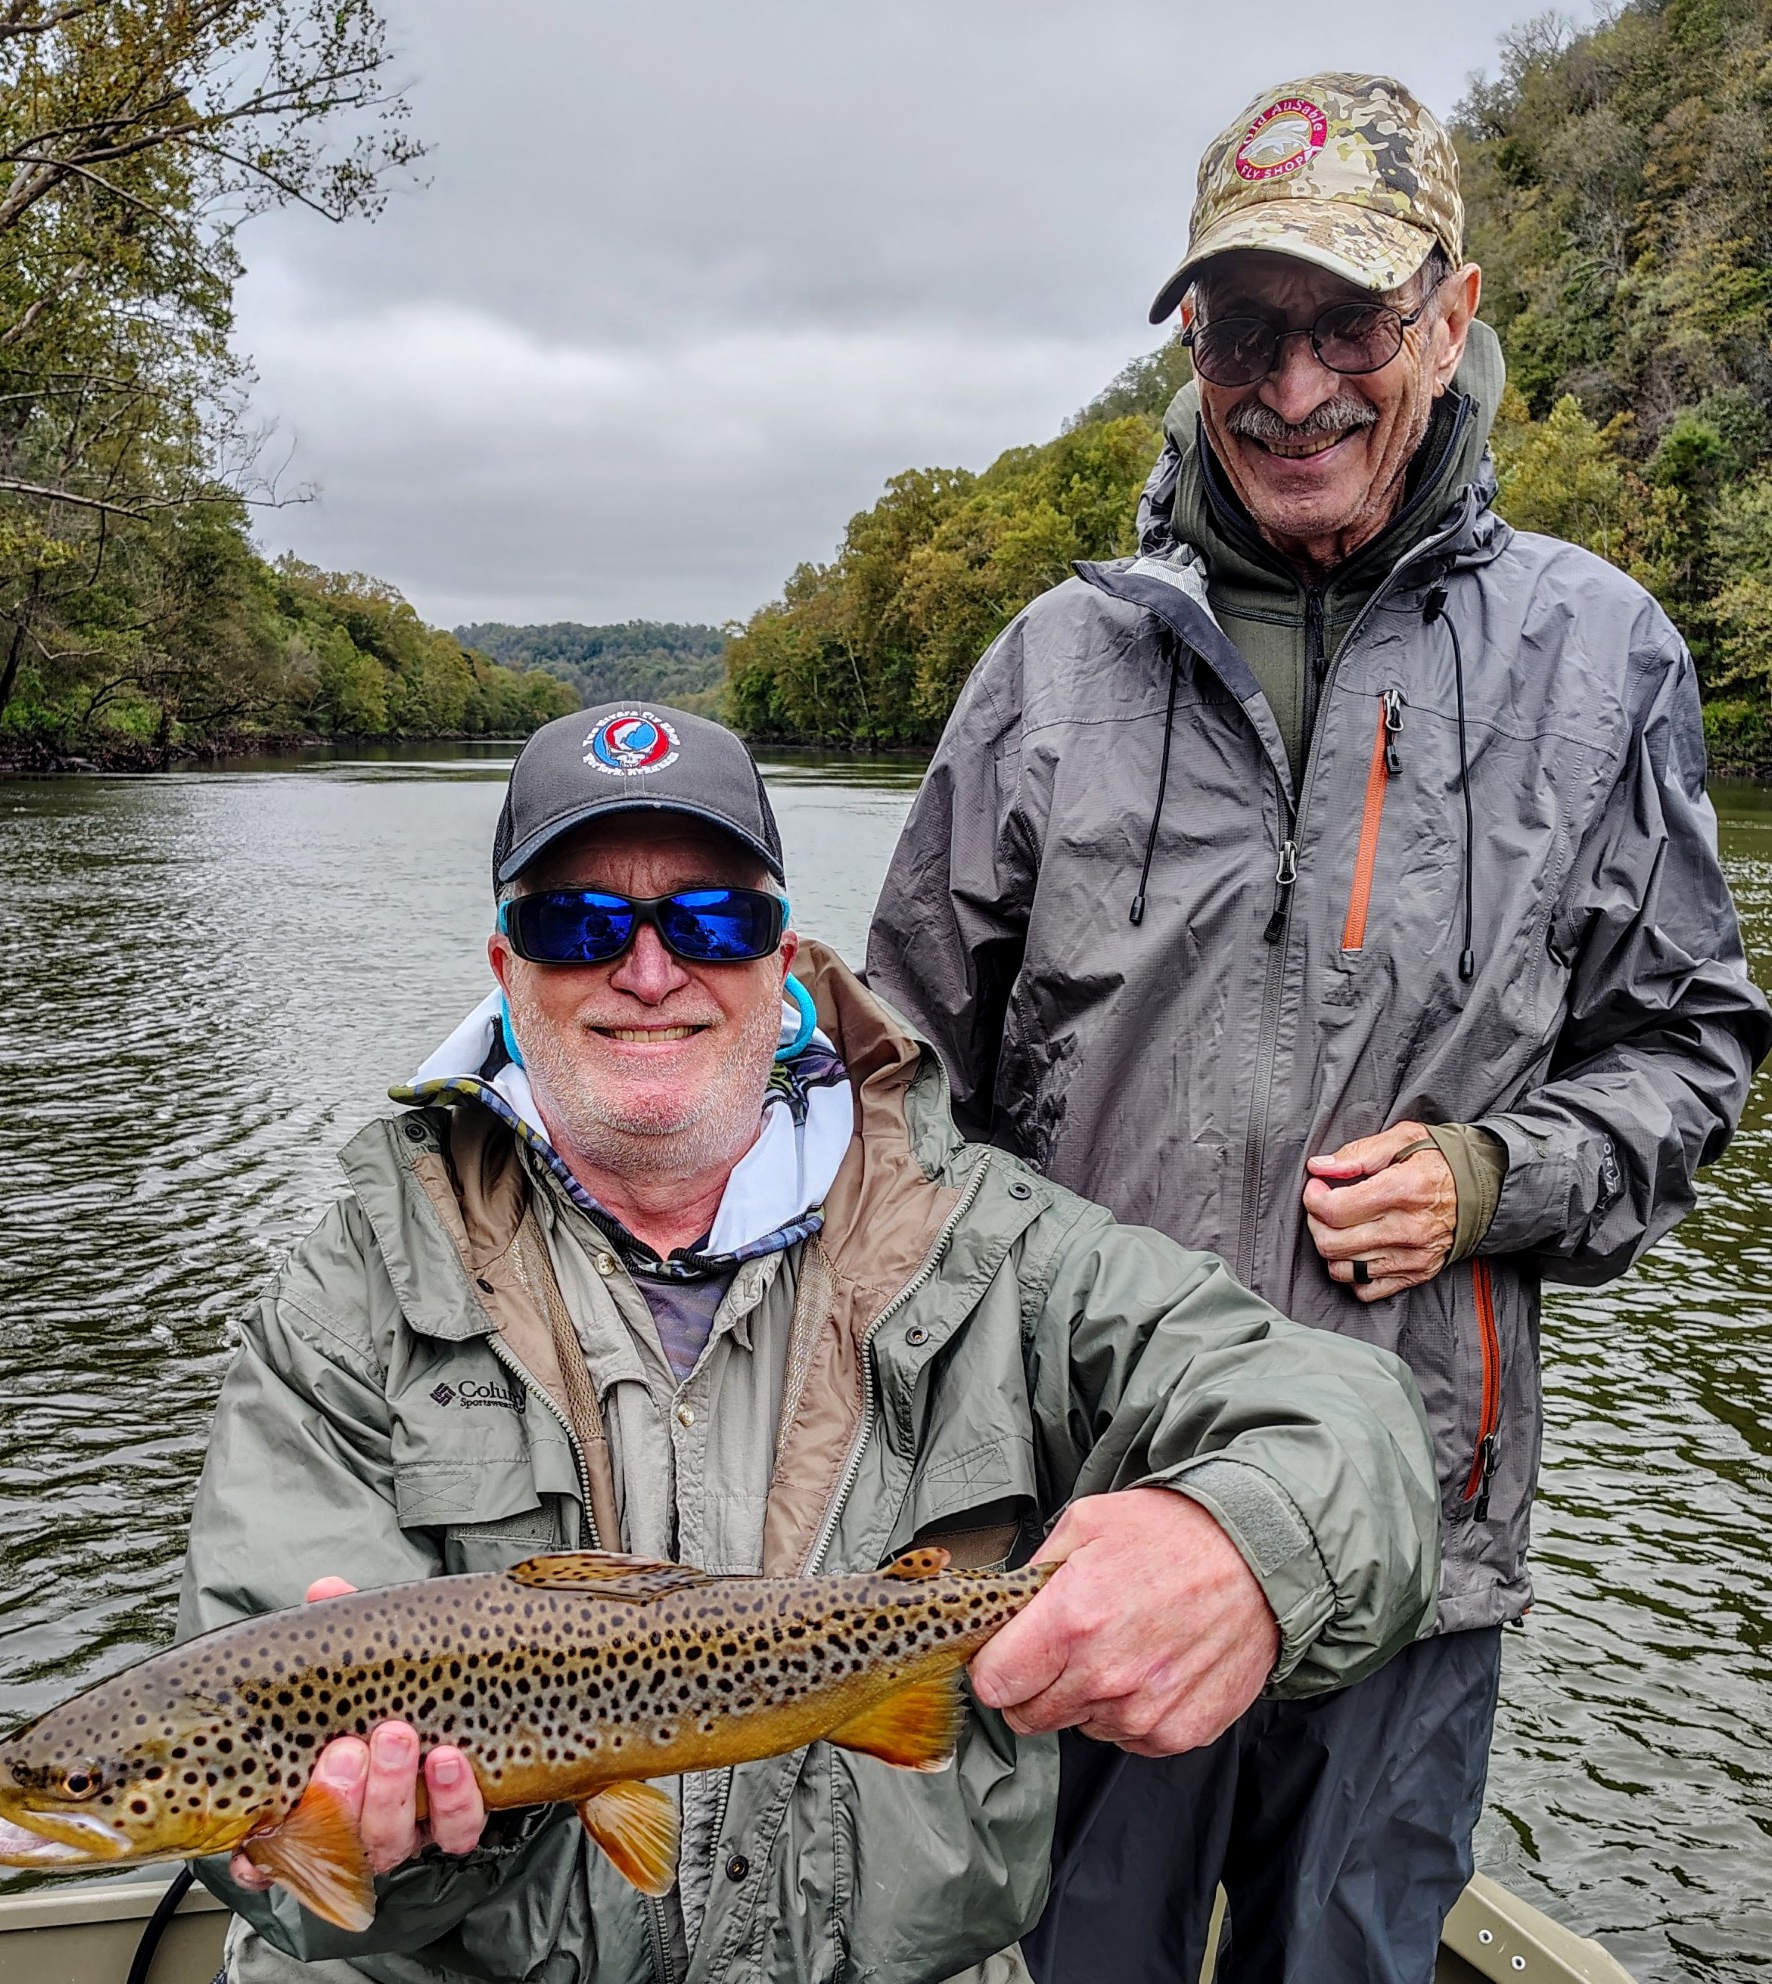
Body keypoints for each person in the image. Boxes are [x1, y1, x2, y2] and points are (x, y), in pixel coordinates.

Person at [866, 71, 1772, 1984]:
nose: (1293, 388)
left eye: (1348, 323)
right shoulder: (1049, 665)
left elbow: (1688, 1051)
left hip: (1416, 1542)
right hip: (1091, 1537)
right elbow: (895, 1100)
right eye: (1243, 330)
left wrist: (1496, 1175)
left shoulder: (1604, 656)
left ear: (1450, 314)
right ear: (1192, 344)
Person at [179, 703, 1441, 1984]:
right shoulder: (349, 1298)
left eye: (711, 920)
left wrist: (1244, 1541)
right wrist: (384, 1842)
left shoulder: (996, 1246)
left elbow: (1353, 1413)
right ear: (507, 967)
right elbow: (263, 1844)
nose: (650, 970)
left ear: (781, 956)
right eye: (580, 924)